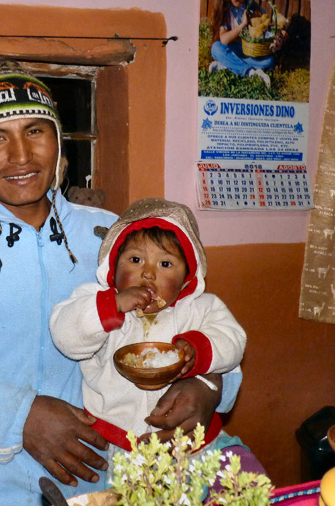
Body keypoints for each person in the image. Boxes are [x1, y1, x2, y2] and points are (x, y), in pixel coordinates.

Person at [0, 59, 238, 506]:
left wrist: (209, 387)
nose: (20, 156)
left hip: (106, 479)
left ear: (58, 142)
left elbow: (194, 320)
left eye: (36, 131)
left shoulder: (112, 237)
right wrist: (19, 417)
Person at [49, 198, 249, 472]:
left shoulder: (201, 308)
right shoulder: (95, 300)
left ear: (188, 279)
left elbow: (233, 339)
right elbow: (66, 336)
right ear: (113, 265)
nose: (148, 273)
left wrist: (198, 349)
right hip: (116, 441)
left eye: (166, 264)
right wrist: (112, 306)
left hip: (189, 441)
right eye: (135, 259)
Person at [209, 0, 274, 87]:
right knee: (216, 48)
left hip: (248, 52)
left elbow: (266, 26)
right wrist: (242, 25)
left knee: (269, 61)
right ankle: (250, 72)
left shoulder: (250, 8)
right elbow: (223, 39)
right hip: (232, 50)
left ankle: (226, 65)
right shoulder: (225, 11)